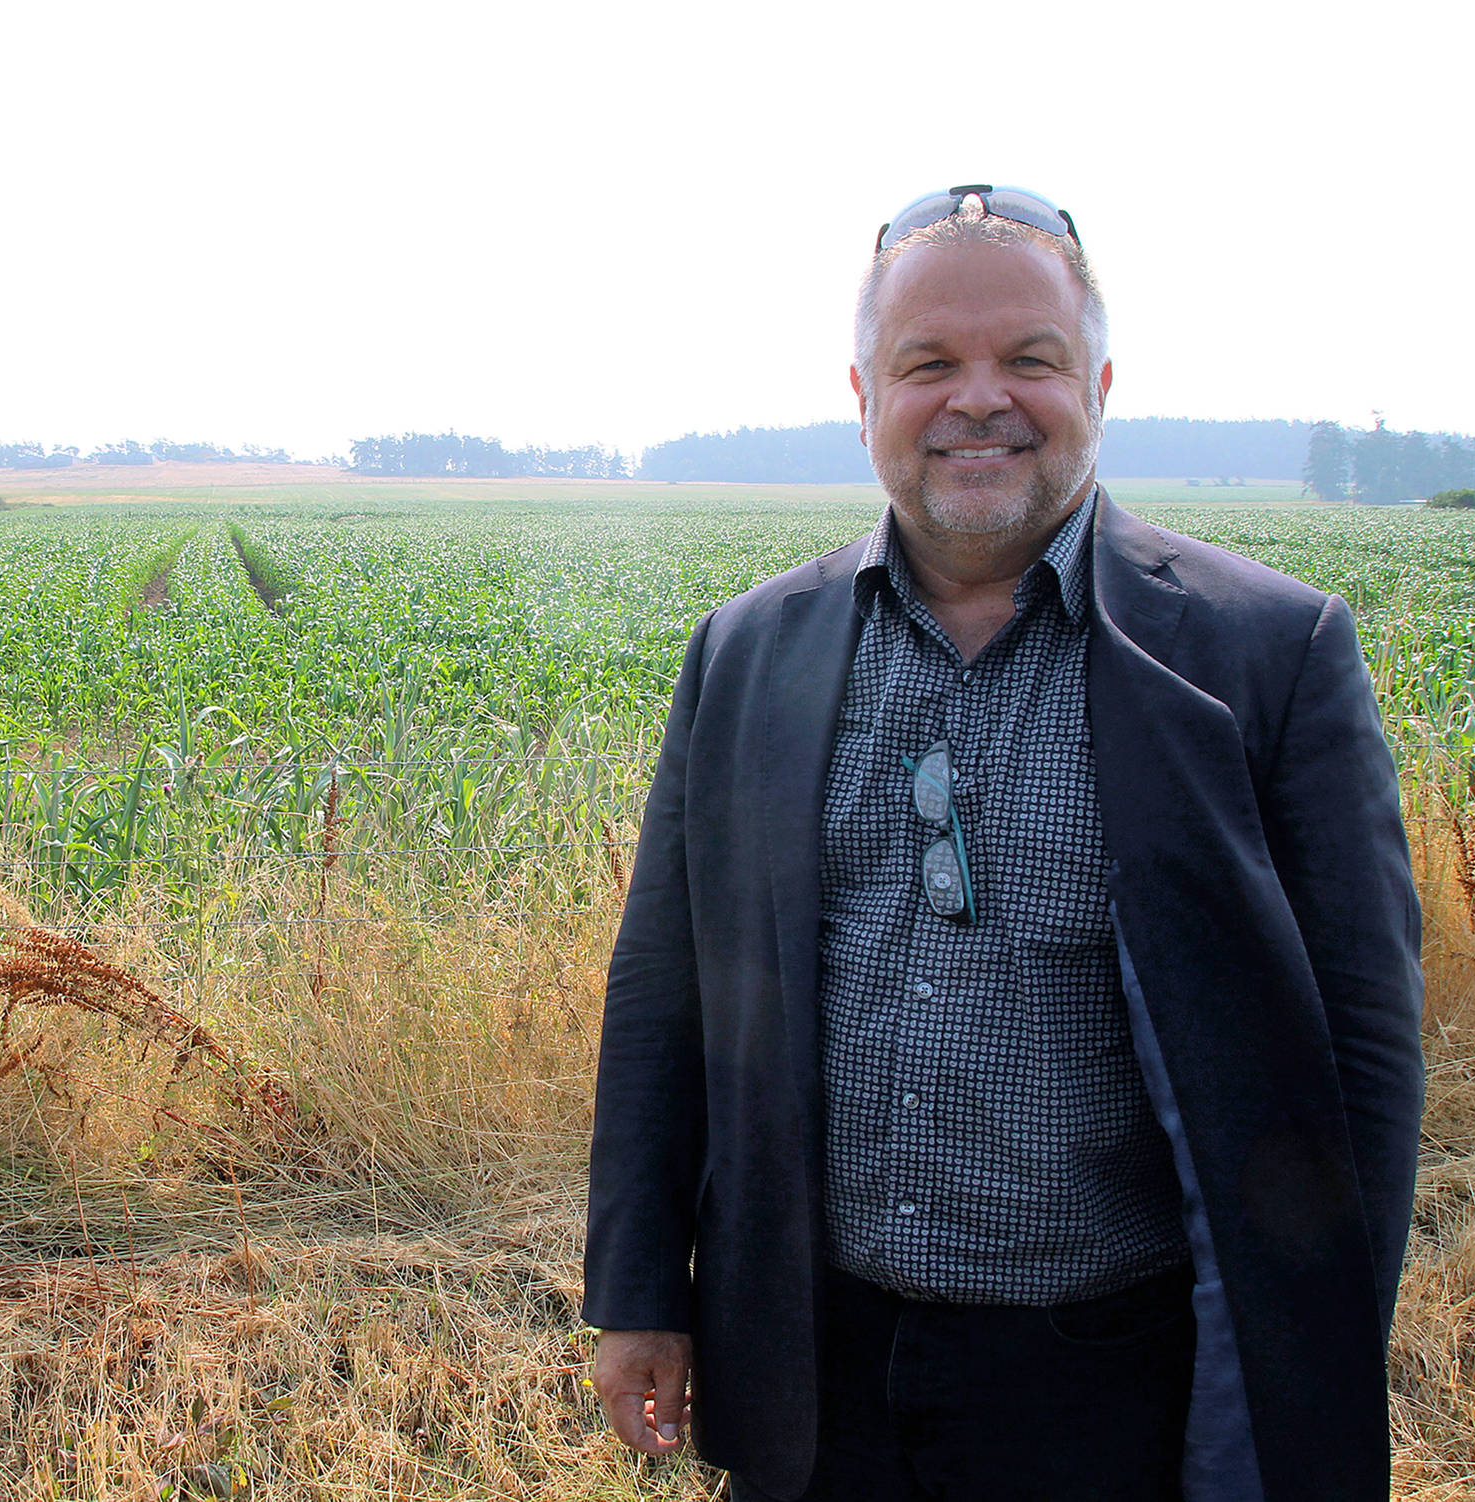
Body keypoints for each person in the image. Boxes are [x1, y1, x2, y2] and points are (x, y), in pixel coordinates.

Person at [582, 185, 1425, 1502]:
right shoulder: (750, 652)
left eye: (1027, 359)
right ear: (865, 392)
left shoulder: (1266, 655)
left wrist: (1311, 1352)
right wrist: (638, 1289)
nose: (980, 398)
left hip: (1117, 1380)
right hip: (819, 1365)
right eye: (931, 363)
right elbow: (662, 997)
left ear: (1097, 381)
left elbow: (1363, 1052)